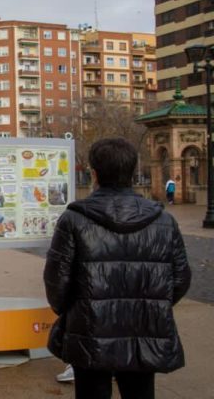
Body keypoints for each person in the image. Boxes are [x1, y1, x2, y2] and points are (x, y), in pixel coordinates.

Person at [44, 138, 191, 399]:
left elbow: (57, 282)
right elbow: (180, 279)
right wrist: (152, 303)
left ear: (95, 173)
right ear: (133, 171)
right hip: (144, 326)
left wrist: (73, 311)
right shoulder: (164, 221)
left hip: (89, 327)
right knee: (140, 392)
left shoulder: (74, 219)